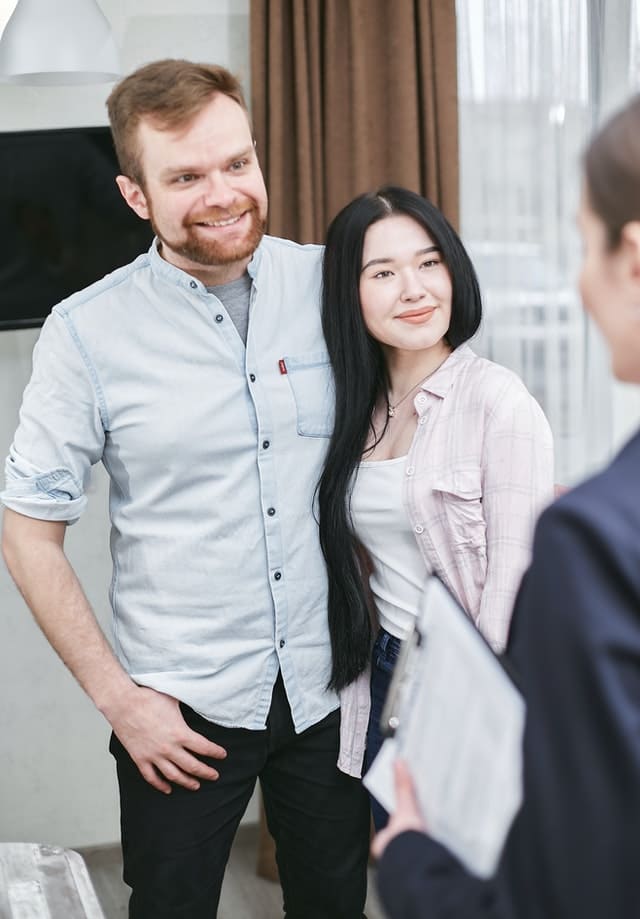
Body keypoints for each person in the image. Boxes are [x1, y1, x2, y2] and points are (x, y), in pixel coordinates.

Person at [0, 59, 370, 919]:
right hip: (179, 714)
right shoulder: (84, 333)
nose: (224, 193)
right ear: (137, 196)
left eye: (237, 163)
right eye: (187, 176)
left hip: (327, 691)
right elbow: (27, 533)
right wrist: (120, 701)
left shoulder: (332, 285)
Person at [370, 95, 640, 918]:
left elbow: (562, 891)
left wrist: (412, 863)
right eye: (381, 270)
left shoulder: (594, 540)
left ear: (632, 258)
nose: (576, 281)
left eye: (580, 240)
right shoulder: (358, 411)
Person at [318, 185, 554, 827]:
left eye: (429, 263)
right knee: (405, 876)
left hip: (462, 682)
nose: (414, 289)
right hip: (382, 673)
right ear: (350, 291)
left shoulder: (498, 403)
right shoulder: (352, 408)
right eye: (383, 273)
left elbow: (514, 586)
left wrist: (473, 721)